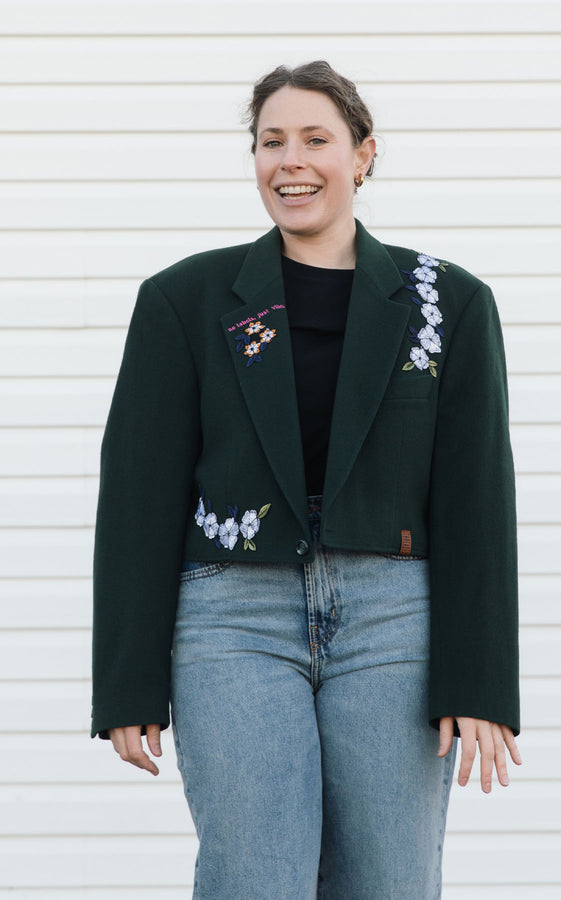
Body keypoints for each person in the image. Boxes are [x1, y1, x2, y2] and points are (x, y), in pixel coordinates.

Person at [92, 60, 521, 899]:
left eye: (315, 139)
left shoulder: (449, 304)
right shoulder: (185, 300)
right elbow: (139, 500)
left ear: (362, 154)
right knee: (254, 880)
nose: (291, 160)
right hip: (231, 619)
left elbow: (477, 503)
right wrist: (128, 681)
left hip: (395, 622)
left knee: (392, 883)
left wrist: (478, 679)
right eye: (270, 141)